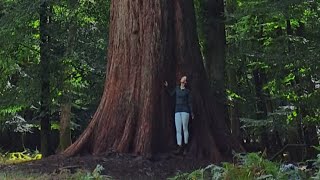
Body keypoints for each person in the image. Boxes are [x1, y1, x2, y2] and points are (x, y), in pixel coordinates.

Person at [164, 76, 194, 155]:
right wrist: (167, 87)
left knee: (185, 128)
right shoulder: (177, 89)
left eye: (185, 78)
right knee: (178, 129)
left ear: (185, 82)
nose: (183, 78)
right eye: (183, 77)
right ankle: (179, 146)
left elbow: (190, 102)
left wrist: (191, 112)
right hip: (177, 110)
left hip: (185, 111)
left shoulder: (187, 91)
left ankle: (186, 147)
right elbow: (171, 94)